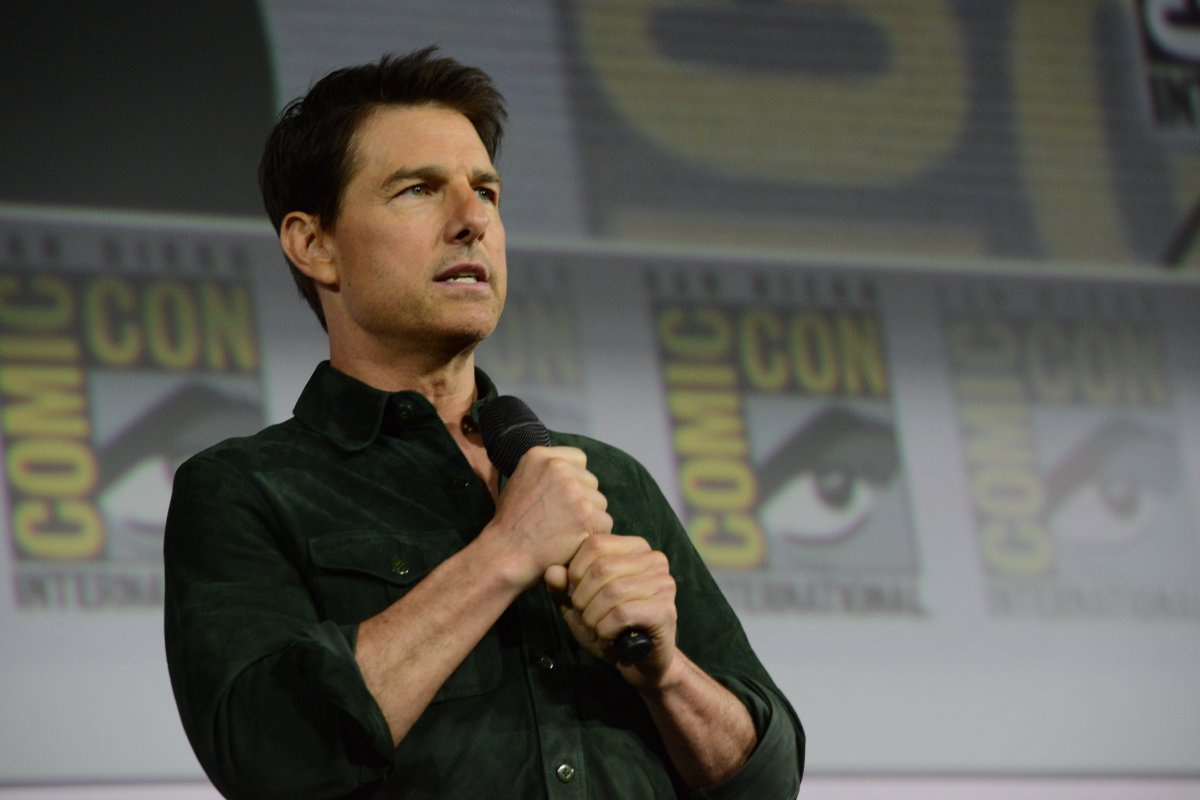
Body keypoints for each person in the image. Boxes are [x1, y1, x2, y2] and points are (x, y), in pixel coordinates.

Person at [164, 46, 804, 799]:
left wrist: (663, 673)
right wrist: (505, 553)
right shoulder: (245, 490)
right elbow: (273, 758)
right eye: (417, 191)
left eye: (487, 193)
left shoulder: (601, 479)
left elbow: (766, 782)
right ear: (315, 244)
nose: (472, 221)